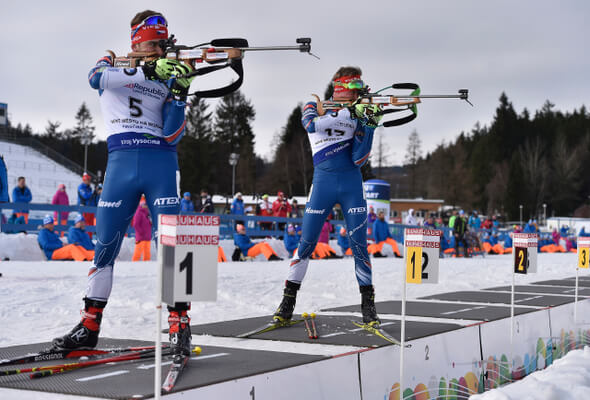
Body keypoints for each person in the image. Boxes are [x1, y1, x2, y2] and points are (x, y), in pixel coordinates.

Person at [53, 10, 195, 358]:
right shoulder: (116, 68)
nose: (160, 48)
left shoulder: (168, 76)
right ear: (137, 42)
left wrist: (179, 93)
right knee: (105, 245)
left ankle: (181, 324)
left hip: (161, 162)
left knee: (180, 243)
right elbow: (94, 76)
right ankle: (89, 325)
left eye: (163, 42)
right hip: (120, 163)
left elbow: (173, 133)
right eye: (153, 42)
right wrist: (145, 68)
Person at [273, 66, 382, 326]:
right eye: (355, 88)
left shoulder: (358, 115)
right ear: (343, 87)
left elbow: (359, 158)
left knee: (359, 246)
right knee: (307, 243)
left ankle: (368, 306)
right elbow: (311, 124)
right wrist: (346, 114)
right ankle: (287, 302)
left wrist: (368, 125)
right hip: (322, 183)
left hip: (351, 184)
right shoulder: (315, 105)